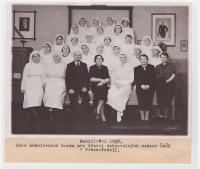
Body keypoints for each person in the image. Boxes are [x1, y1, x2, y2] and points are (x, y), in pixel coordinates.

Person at [21, 51, 45, 131]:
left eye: (37, 56)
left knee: (37, 101)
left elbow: (44, 77)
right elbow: (24, 76)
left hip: (39, 85)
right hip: (29, 84)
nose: (36, 58)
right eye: (34, 56)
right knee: (29, 101)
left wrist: (44, 85)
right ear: (32, 58)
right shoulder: (28, 65)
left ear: (40, 57)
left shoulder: (43, 65)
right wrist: (23, 87)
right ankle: (34, 118)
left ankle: (34, 117)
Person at [107, 54, 134, 122]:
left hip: (126, 85)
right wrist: (116, 83)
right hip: (117, 84)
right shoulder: (117, 66)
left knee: (118, 95)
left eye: (124, 57)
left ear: (126, 58)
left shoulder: (130, 66)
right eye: (121, 58)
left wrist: (122, 84)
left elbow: (131, 79)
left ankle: (118, 112)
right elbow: (114, 77)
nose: (122, 59)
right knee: (110, 92)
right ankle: (120, 109)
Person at [43, 53, 66, 126]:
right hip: (50, 83)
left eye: (57, 56)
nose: (56, 58)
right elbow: (44, 75)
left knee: (58, 99)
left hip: (60, 83)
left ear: (60, 57)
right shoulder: (48, 65)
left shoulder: (64, 65)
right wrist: (44, 83)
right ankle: (51, 116)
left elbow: (66, 75)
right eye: (55, 56)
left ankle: (57, 117)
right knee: (50, 98)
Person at [134, 54, 156, 121]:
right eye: (141, 59)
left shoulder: (152, 67)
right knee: (141, 101)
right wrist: (141, 85)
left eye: (145, 59)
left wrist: (149, 85)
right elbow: (136, 79)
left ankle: (147, 116)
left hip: (150, 87)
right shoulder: (136, 68)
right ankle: (142, 116)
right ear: (139, 60)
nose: (143, 60)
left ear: (147, 60)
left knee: (148, 101)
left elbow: (154, 78)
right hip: (140, 87)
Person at [89, 55, 110, 122]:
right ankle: (102, 115)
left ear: (102, 60)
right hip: (95, 86)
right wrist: (101, 80)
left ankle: (98, 111)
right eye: (97, 59)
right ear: (95, 60)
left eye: (100, 59)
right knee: (101, 93)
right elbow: (91, 78)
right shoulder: (92, 67)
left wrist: (103, 82)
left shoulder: (105, 67)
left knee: (102, 92)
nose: (99, 60)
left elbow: (108, 78)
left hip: (103, 85)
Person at [156, 53, 176, 119]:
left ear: (167, 58)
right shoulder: (158, 66)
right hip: (161, 85)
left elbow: (173, 75)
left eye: (165, 57)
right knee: (159, 97)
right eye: (162, 57)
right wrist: (162, 83)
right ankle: (161, 114)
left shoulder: (172, 65)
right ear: (160, 58)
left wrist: (167, 81)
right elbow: (157, 76)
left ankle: (167, 114)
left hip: (169, 84)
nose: (163, 59)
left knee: (167, 97)